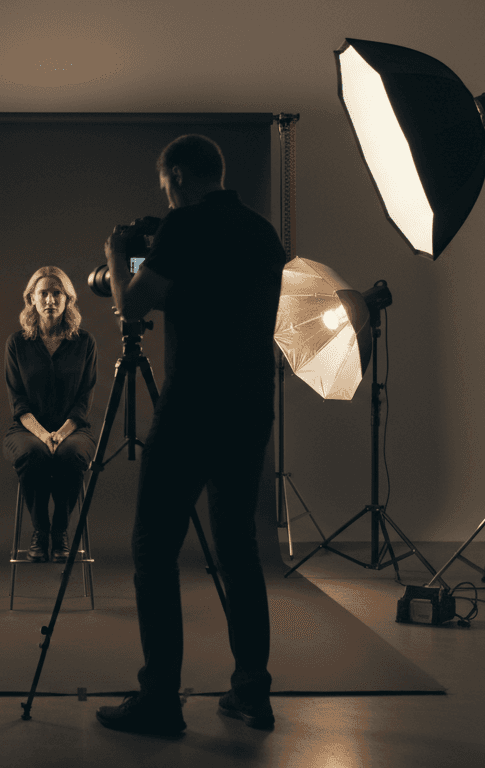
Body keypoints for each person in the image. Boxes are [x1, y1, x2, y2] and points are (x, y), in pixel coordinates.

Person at [94, 135, 286, 736]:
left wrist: (121, 253)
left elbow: (132, 306)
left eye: (165, 184)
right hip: (251, 406)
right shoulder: (262, 234)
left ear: (177, 175)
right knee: (237, 548)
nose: (166, 195)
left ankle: (159, 700)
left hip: (194, 406)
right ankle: (252, 691)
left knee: (154, 547)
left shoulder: (183, 226)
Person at [3, 267, 97, 564]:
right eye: (43, 293)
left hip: (73, 428)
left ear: (68, 299)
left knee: (71, 455)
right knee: (35, 454)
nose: (50, 300)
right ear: (31, 298)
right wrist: (44, 435)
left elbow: (84, 400)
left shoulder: (85, 342)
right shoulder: (17, 343)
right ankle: (40, 531)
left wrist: (62, 433)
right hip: (27, 429)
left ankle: (60, 532)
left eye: (57, 293)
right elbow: (18, 402)